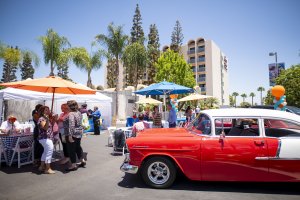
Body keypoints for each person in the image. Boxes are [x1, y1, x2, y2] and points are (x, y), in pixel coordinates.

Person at [65, 100, 86, 171]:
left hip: (72, 134)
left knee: (71, 149)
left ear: (70, 106)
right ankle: (82, 160)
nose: (66, 106)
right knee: (78, 147)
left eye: (67, 105)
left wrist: (70, 136)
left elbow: (71, 125)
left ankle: (73, 165)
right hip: (79, 133)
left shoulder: (71, 114)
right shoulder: (78, 112)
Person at [37, 106, 55, 174]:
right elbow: (45, 128)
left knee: (45, 152)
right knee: (49, 152)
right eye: (46, 110)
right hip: (45, 138)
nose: (48, 111)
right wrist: (47, 120)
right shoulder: (42, 119)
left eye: (48, 110)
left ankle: (41, 166)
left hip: (46, 138)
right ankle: (47, 168)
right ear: (42, 112)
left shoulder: (45, 118)